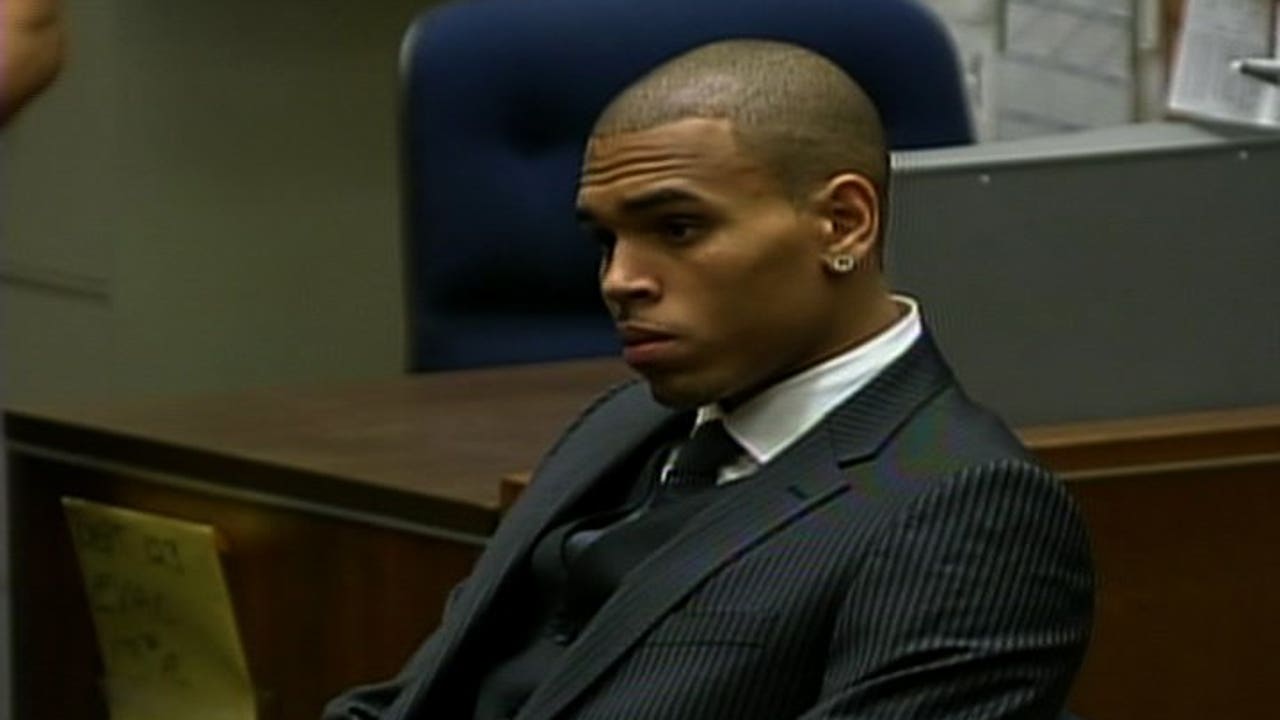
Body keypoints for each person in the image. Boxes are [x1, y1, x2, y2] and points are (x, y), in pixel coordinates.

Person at [327, 39, 1093, 720]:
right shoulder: (620, 423)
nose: (619, 280)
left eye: (679, 228)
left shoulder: (965, 504)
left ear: (844, 223)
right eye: (605, 240)